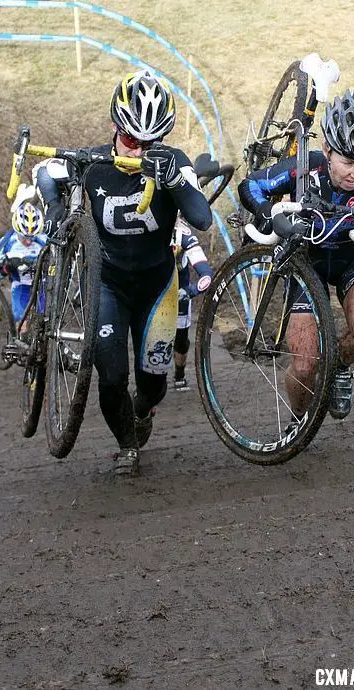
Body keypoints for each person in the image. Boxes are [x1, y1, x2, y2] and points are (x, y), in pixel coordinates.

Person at [36, 70, 212, 476]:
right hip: (108, 284)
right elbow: (45, 172)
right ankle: (126, 444)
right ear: (116, 127)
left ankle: (143, 413)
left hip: (157, 286)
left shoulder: (174, 161)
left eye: (150, 144)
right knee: (112, 375)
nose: (138, 153)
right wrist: (54, 209)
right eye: (132, 141)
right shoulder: (93, 164)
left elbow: (201, 218)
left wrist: (174, 181)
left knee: (152, 384)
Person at [238, 89, 354, 424]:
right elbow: (251, 186)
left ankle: (337, 365)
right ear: (327, 151)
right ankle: (298, 420)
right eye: (348, 162)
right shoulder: (307, 168)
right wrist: (268, 213)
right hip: (308, 259)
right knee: (305, 365)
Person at [171, 216, 213, 392]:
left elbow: (207, 276)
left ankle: (179, 373)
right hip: (153, 292)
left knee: (180, 340)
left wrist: (190, 291)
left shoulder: (183, 235)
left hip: (179, 293)